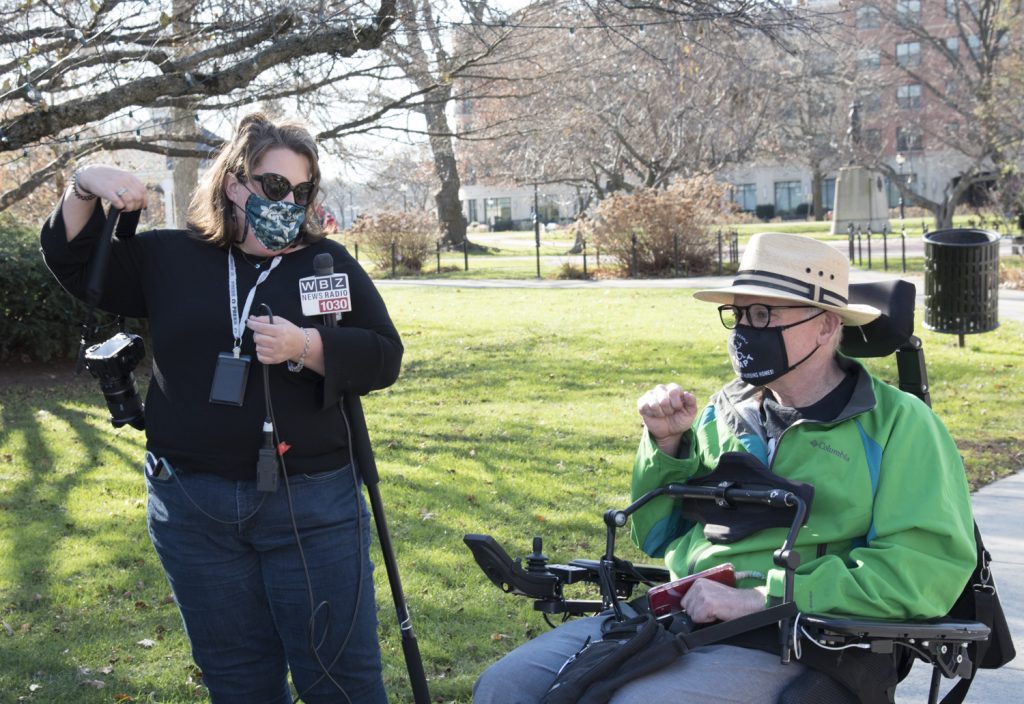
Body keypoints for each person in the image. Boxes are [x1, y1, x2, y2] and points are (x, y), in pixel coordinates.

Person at [473, 233, 976, 703]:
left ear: (827, 325)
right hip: (679, 615)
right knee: (505, 687)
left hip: (806, 637)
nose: (744, 333)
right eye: (737, 317)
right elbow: (658, 537)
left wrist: (764, 597)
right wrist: (667, 446)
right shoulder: (722, 412)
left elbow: (921, 571)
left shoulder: (899, 426)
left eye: (762, 316)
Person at [40, 113, 401, 703]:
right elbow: (78, 266)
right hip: (193, 509)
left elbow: (384, 357)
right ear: (235, 183)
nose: (289, 202)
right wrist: (85, 182)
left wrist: (306, 346)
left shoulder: (324, 263)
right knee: (238, 680)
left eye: (302, 190)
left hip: (312, 506)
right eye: (274, 186)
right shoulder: (170, 257)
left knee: (341, 679)